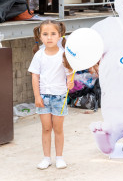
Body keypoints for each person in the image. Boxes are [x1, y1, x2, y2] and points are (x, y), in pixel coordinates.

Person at [28, 20, 74, 169]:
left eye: (53, 34)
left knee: (58, 129)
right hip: (44, 97)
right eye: (45, 34)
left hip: (59, 97)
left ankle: (59, 157)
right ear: (40, 37)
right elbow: (35, 76)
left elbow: (69, 74)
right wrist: (37, 96)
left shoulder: (64, 55)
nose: (49, 37)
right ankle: (46, 158)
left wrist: (70, 82)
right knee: (46, 128)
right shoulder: (39, 55)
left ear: (59, 35)